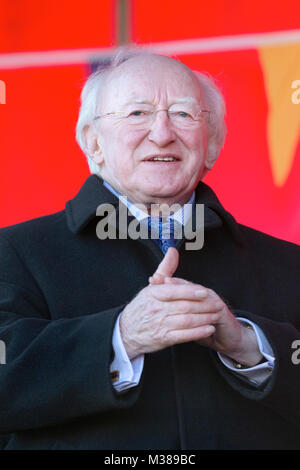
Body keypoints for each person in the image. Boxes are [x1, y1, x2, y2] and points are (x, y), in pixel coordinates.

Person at [0, 48, 300, 450]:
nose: (162, 133)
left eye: (183, 114)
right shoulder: (15, 253)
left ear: (211, 144)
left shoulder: (288, 263)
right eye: (137, 113)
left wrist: (252, 346)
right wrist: (120, 338)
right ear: (94, 143)